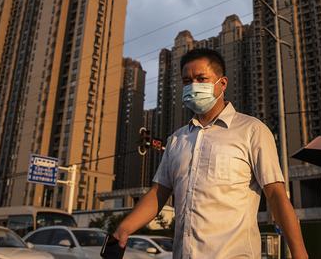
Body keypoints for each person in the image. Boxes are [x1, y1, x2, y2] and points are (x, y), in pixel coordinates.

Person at [113, 48, 308, 258]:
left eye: (201, 78)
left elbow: (276, 194)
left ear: (222, 83)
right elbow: (158, 193)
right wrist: (124, 229)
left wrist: (299, 253)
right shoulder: (177, 140)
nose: (193, 86)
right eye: (187, 81)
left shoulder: (252, 130)